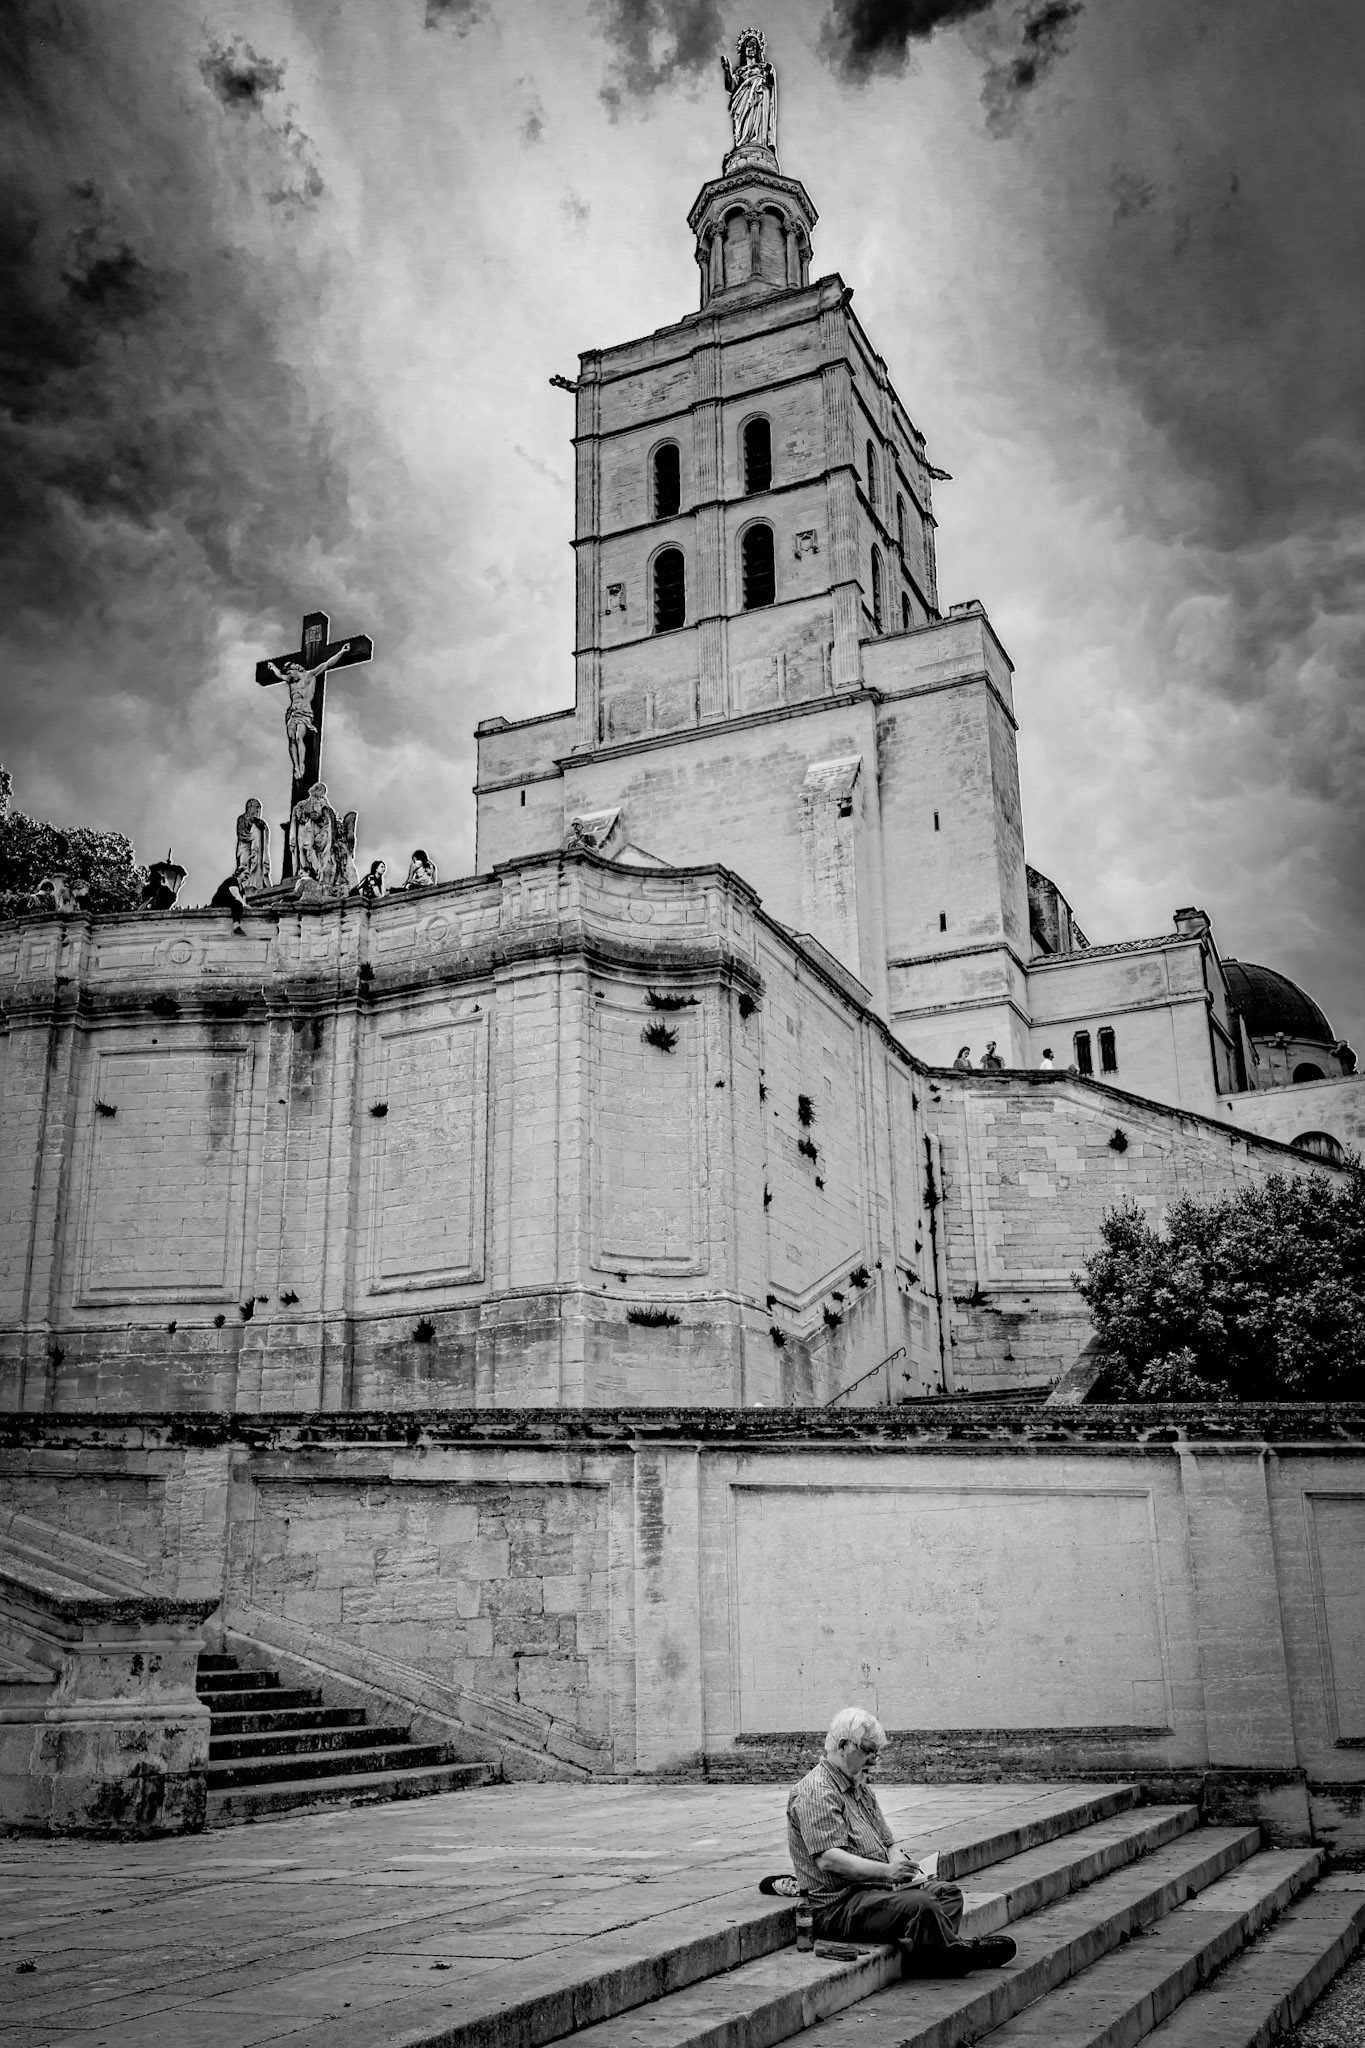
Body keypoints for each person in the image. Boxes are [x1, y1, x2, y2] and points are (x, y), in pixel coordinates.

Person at [784, 1708, 1016, 1977]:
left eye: (877, 1752)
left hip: (874, 1889)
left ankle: (934, 1956)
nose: (874, 1759)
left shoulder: (859, 1788)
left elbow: (889, 1843)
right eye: (869, 1749)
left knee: (947, 1894)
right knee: (922, 1905)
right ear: (844, 1746)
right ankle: (954, 1953)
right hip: (838, 1905)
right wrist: (887, 1872)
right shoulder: (816, 1791)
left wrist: (905, 1871)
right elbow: (829, 1859)